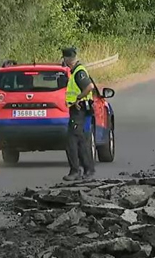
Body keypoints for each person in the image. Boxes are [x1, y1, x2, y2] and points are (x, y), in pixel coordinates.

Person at [62, 47, 96, 181]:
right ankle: (88, 169)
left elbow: (89, 87)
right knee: (81, 140)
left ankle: (75, 171)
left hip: (78, 111)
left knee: (71, 141)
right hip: (77, 110)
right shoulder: (76, 71)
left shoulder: (78, 72)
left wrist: (78, 98)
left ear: (66, 59)